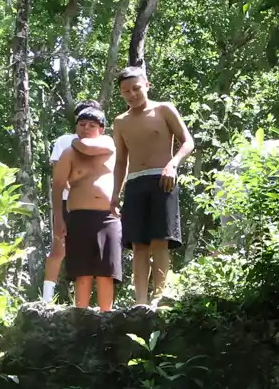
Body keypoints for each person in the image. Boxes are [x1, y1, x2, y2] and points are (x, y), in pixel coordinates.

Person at [110, 66, 195, 305]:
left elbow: (188, 141)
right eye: (126, 91)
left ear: (147, 85)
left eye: (136, 88)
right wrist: (115, 194)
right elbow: (120, 161)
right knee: (138, 245)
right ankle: (140, 301)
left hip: (162, 179)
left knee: (160, 240)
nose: (132, 94)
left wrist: (173, 164)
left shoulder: (164, 109)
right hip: (135, 182)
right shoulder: (120, 122)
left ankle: (159, 297)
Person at [51, 106, 122, 312]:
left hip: (107, 217)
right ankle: (81, 315)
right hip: (79, 216)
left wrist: (76, 141)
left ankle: (106, 315)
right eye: (82, 124)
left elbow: (89, 148)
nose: (86, 128)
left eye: (92, 125)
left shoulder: (108, 143)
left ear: (101, 129)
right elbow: (57, 186)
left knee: (106, 271)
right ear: (75, 127)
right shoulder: (69, 153)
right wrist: (58, 218)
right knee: (82, 272)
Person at [42, 99, 100, 303]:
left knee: (91, 252)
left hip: (94, 206)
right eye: (82, 117)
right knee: (59, 248)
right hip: (67, 202)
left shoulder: (104, 143)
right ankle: (46, 299)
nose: (87, 124)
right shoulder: (64, 141)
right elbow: (57, 174)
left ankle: (84, 303)